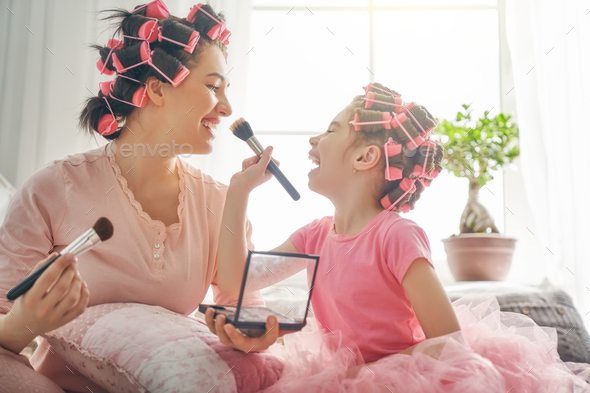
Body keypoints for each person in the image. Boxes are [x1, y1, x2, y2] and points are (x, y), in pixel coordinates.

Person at [205, 84, 590, 392]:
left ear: (365, 157)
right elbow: (235, 281)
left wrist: (358, 380)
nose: (313, 140)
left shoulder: (397, 236)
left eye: (331, 130)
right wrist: (239, 192)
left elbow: (451, 345)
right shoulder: (314, 235)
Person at [0, 2, 279, 392]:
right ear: (158, 88)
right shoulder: (54, 188)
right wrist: (25, 320)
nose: (227, 107)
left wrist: (252, 335)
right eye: (214, 87)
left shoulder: (220, 202)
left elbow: (243, 302)